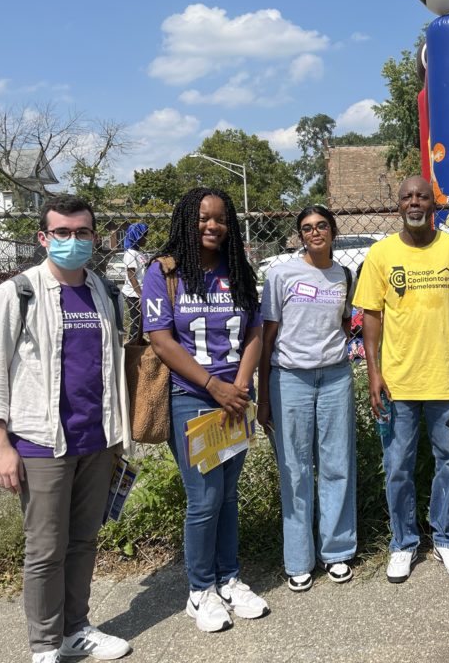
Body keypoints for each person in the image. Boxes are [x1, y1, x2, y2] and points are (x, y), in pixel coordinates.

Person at [0, 195, 131, 663]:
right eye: (62, 232)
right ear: (43, 238)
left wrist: (118, 437)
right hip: (42, 443)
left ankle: (75, 630)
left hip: (97, 441)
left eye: (82, 232)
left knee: (83, 540)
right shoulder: (14, 294)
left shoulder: (105, 292)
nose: (72, 241)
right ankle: (44, 645)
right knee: (45, 549)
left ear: (95, 238)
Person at [142, 187, 268, 632]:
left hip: (235, 398)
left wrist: (239, 385)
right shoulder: (164, 272)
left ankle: (229, 578)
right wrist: (214, 386)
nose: (211, 225)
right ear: (186, 221)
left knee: (228, 494)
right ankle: (200, 590)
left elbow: (254, 332)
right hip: (192, 397)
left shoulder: (238, 271)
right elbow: (160, 339)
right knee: (204, 498)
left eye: (219, 219)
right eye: (202, 218)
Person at [352, 175, 449, 584]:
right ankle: (403, 543)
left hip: (445, 378)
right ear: (398, 205)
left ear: (434, 205)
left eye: (422, 197)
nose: (414, 202)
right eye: (407, 196)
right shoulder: (381, 254)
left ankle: (445, 537)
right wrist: (374, 372)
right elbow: (370, 317)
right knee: (397, 466)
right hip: (397, 382)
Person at [257, 205, 357, 592]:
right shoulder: (281, 274)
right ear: (300, 236)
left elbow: (345, 324)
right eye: (307, 229)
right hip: (290, 380)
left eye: (321, 227)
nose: (315, 233)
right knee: (295, 470)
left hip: (334, 377)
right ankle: (298, 559)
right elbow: (267, 338)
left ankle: (337, 551)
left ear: (333, 231)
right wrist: (264, 394)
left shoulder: (344, 275)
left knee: (336, 464)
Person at [122, 222, 149, 340]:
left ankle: (138, 341)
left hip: (140, 292)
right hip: (133, 294)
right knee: (136, 322)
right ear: (137, 236)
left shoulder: (138, 253)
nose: (146, 239)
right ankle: (132, 345)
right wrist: (140, 295)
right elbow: (131, 275)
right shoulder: (130, 253)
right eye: (144, 236)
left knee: (141, 322)